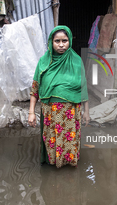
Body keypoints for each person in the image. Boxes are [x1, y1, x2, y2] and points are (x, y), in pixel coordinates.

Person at [28, 26, 90, 168]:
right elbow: (35, 88)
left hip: (71, 111)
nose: (61, 45)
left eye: (65, 40)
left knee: (69, 139)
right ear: (51, 42)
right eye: (57, 41)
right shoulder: (44, 62)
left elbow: (83, 87)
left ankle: (68, 162)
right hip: (50, 111)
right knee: (52, 138)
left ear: (69, 41)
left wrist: (86, 111)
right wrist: (31, 112)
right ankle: (54, 162)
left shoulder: (76, 61)